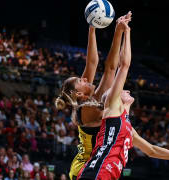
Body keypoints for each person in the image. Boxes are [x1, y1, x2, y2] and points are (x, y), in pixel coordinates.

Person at [77, 17, 169, 180]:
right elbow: (123, 66)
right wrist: (127, 32)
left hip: (103, 174)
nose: (125, 90)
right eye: (121, 90)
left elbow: (151, 150)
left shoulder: (126, 127)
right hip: (97, 172)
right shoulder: (111, 107)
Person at [55, 12, 132, 180]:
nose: (84, 77)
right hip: (84, 168)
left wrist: (94, 28)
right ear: (79, 93)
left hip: (97, 167)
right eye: (80, 80)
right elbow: (114, 73)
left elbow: (100, 65)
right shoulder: (84, 109)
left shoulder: (90, 98)